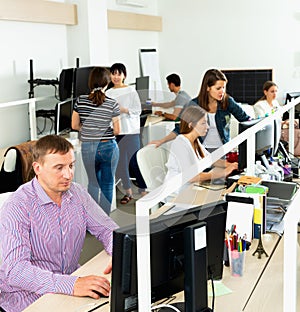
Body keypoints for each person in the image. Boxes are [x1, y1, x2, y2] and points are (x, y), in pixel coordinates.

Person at [0, 135, 119, 312]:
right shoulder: (18, 206)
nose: (68, 174)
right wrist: (71, 285)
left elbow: (107, 230)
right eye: (59, 168)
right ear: (37, 168)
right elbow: (16, 272)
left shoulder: (77, 193)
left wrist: (117, 251)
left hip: (69, 285)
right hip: (26, 299)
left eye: (71, 165)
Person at [150, 69, 250, 150]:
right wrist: (162, 141)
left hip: (223, 150)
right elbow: (180, 128)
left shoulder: (228, 102)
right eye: (218, 88)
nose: (222, 92)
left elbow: (246, 120)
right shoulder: (194, 104)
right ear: (207, 88)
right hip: (202, 151)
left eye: (224, 88)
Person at [72, 67, 121, 215]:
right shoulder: (112, 103)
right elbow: (117, 130)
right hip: (108, 147)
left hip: (88, 147)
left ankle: (93, 218)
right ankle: (104, 219)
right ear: (107, 83)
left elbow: (74, 125)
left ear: (90, 82)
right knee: (107, 184)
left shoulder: (80, 101)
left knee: (93, 183)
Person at [164, 106, 239, 186]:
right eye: (203, 123)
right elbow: (191, 177)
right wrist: (223, 173)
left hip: (191, 188)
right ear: (191, 125)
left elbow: (211, 159)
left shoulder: (196, 141)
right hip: (176, 191)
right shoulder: (180, 144)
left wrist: (231, 165)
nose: (208, 127)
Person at [106, 63, 147, 204]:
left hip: (130, 131)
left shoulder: (131, 90)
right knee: (120, 164)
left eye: (119, 74)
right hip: (116, 132)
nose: (116, 77)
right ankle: (128, 192)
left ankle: (143, 191)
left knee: (135, 161)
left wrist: (122, 109)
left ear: (124, 75)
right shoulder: (108, 93)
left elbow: (138, 110)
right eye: (113, 73)